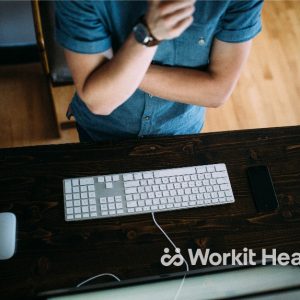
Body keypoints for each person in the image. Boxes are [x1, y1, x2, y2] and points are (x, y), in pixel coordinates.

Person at [55, 0, 264, 142]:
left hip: (181, 131)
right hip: (102, 132)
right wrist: (149, 33)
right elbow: (100, 102)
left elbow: (217, 92)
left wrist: (116, 73)